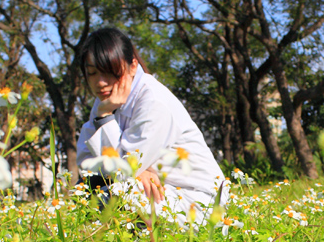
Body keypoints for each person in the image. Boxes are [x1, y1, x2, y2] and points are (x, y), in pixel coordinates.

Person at [77, 27, 228, 224]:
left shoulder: (153, 101)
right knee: (85, 188)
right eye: (92, 73)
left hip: (196, 202)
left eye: (109, 72)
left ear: (133, 66)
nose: (101, 82)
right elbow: (86, 163)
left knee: (113, 195)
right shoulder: (107, 100)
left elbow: (122, 171)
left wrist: (105, 118)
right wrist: (139, 171)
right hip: (155, 190)